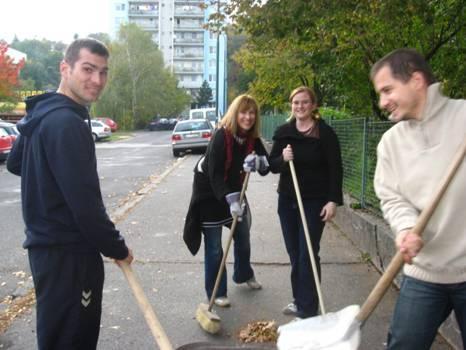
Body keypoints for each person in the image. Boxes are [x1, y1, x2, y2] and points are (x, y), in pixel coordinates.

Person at [7, 38, 133, 350]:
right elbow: (87, 207)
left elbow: (15, 163)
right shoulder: (66, 122)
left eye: (103, 72)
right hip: (70, 257)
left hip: (46, 253)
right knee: (73, 340)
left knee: (57, 337)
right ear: (66, 68)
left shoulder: (44, 114)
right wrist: (117, 248)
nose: (97, 80)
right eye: (88, 70)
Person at [372, 48, 466, 350]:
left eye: (387, 90)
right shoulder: (391, 143)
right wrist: (405, 228)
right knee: (403, 345)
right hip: (424, 271)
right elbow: (392, 197)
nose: (382, 102)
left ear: (416, 80)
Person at [183, 94, 269, 307]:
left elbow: (267, 166)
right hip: (209, 195)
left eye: (251, 113)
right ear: (235, 113)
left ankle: (243, 274)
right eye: (243, 112)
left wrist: (259, 161)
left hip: (234, 190)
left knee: (243, 235)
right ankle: (217, 291)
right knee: (214, 247)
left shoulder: (252, 138)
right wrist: (231, 201)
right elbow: (214, 174)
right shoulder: (221, 136)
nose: (247, 117)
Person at [269, 86, 343, 319]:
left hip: (314, 202)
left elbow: (336, 169)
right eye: (295, 103)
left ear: (313, 105)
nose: (299, 107)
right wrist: (283, 158)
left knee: (308, 253)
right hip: (288, 200)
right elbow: (272, 165)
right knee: (294, 253)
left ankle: (308, 309)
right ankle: (299, 299)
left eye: (304, 102)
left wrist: (333, 201)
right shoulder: (283, 133)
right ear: (291, 105)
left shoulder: (325, 134)